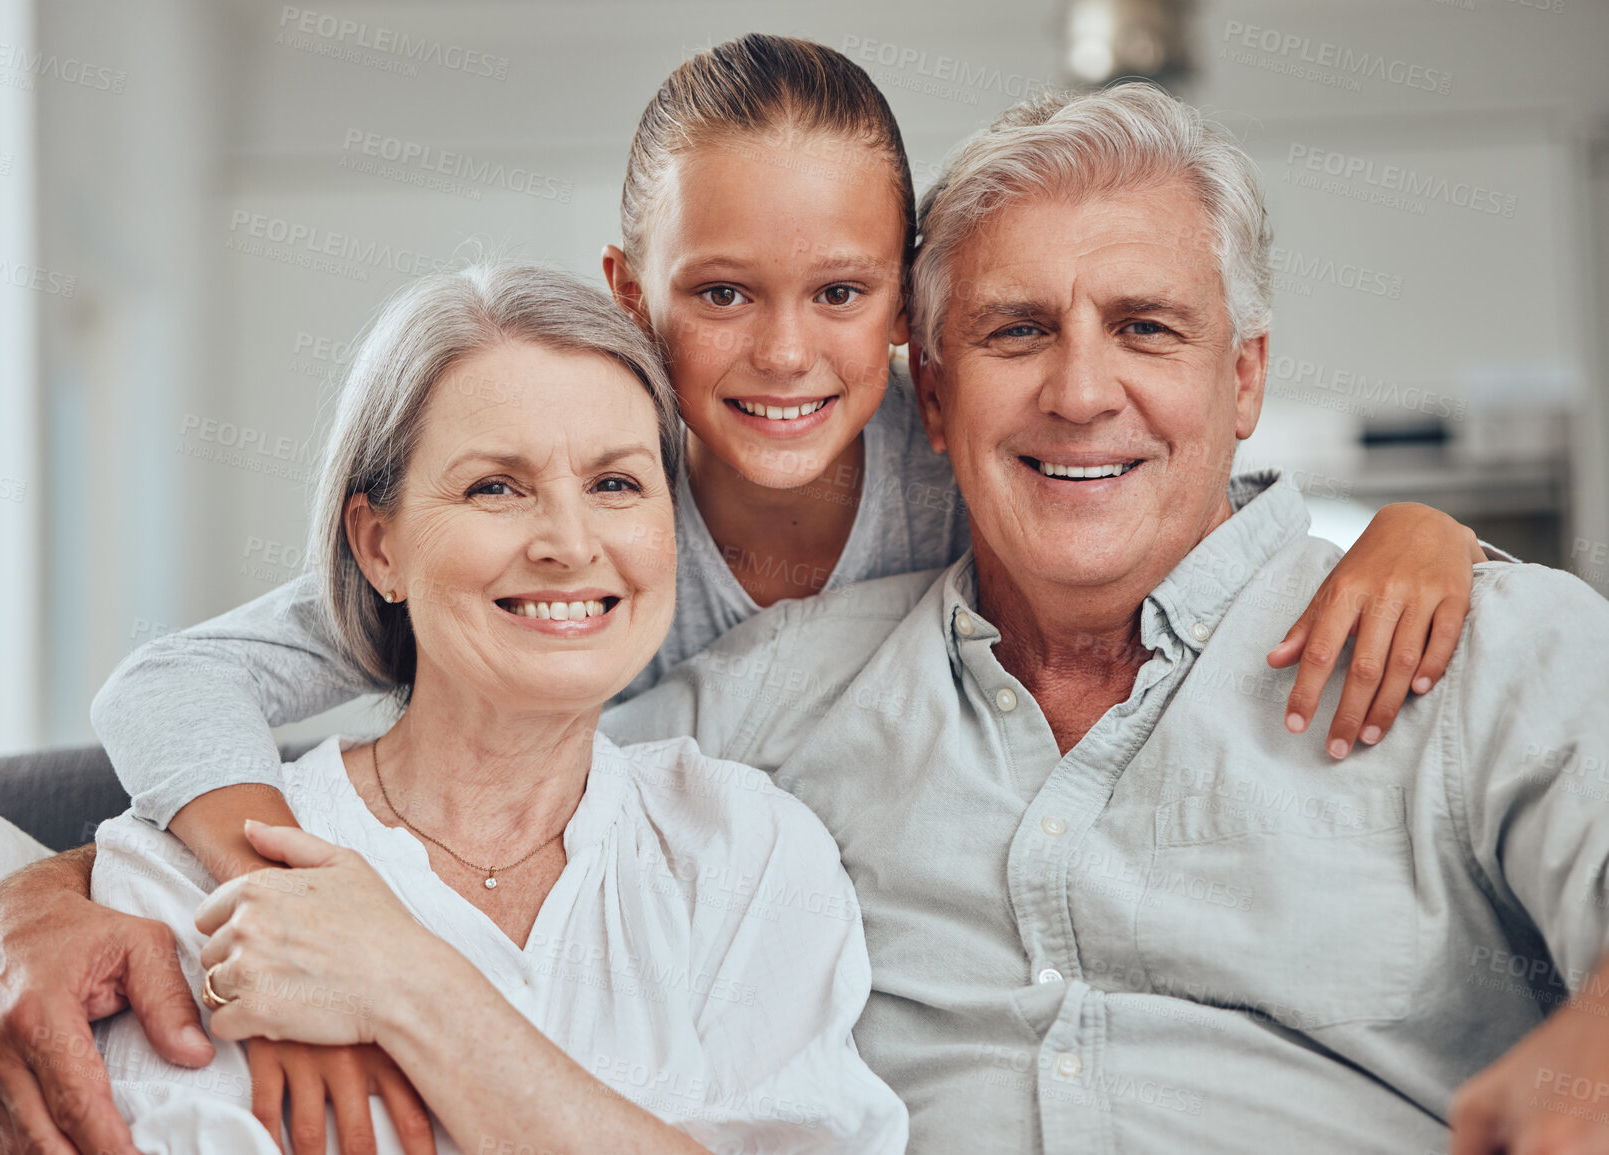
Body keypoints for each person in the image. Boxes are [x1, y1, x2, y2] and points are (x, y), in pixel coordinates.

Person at [0, 37, 1498, 1155]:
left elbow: (1175, 519)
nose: (780, 357)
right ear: (632, 292)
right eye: (717, 295)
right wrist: (225, 897)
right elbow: (170, 688)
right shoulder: (579, 529)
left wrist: (1428, 535)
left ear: (909, 311)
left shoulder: (963, 458)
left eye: (838, 294)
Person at [599, 84, 1609, 1151]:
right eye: (1018, 330)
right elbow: (467, 813)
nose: (1081, 393)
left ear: (1246, 374)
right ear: (933, 396)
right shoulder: (765, 696)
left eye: (1146, 327)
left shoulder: (1488, 650)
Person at [87, 261, 906, 1154]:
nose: (568, 542)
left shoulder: (751, 852)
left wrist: (412, 984)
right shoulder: (183, 880)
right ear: (379, 546)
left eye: (616, 484)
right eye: (495, 487)